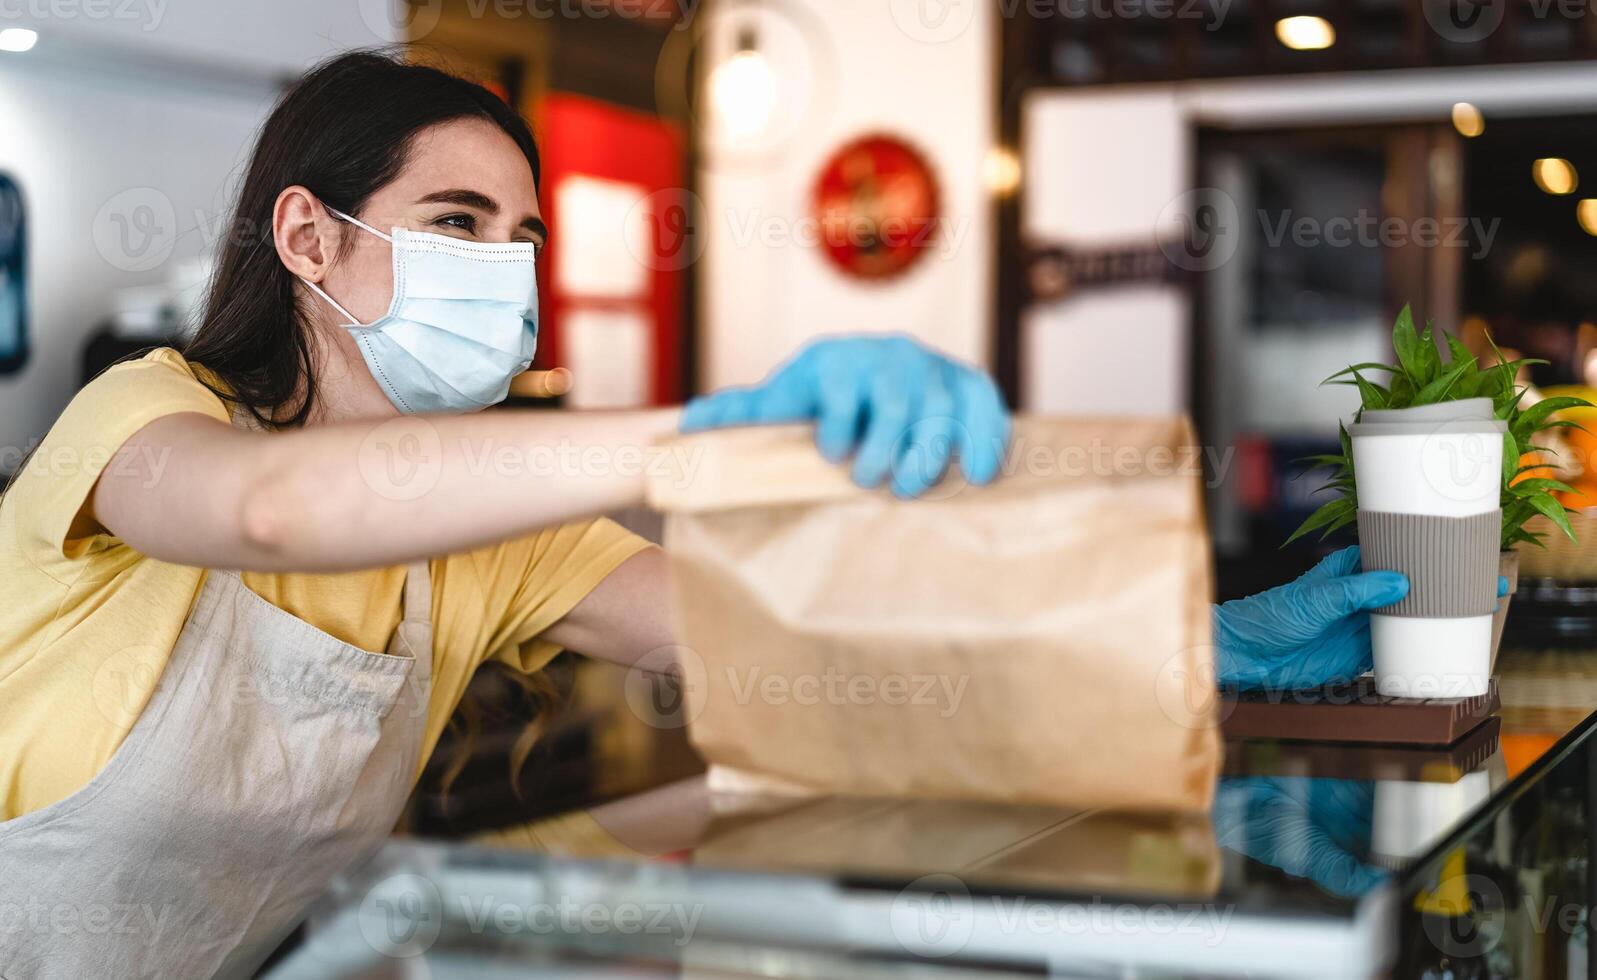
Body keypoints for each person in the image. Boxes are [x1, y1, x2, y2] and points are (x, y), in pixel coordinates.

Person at [0, 51, 1406, 977]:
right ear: (308, 239)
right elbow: (270, 513)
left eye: (524, 235)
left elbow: (828, 648)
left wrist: (1183, 644)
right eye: (457, 223)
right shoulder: (144, 415)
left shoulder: (490, 532)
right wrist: (716, 434)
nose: (507, 267)